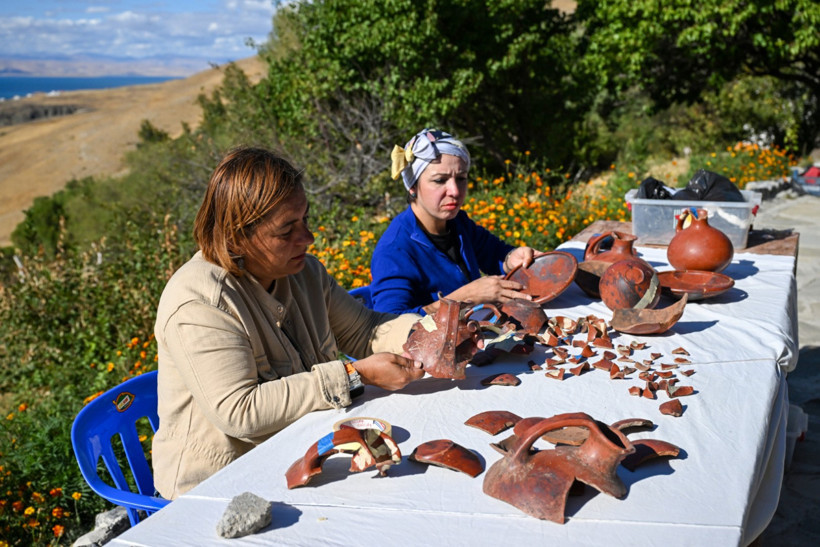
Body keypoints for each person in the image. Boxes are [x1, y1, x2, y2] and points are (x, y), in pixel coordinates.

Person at [152, 147, 424, 499]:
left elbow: (364, 330)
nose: (308, 239)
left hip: (296, 457)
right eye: (286, 231)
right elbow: (241, 411)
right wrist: (356, 375)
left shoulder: (304, 273)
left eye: (305, 221)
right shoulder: (200, 303)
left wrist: (427, 334)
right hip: (218, 488)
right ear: (236, 237)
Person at [370, 128, 543, 315]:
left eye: (461, 178)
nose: (454, 191)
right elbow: (388, 324)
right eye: (439, 180)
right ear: (412, 186)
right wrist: (465, 298)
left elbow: (493, 254)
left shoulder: (457, 222)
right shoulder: (394, 250)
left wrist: (511, 258)